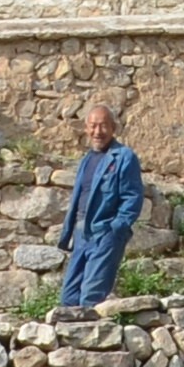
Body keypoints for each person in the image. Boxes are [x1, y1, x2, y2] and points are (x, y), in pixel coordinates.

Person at [59, 102, 145, 310]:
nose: (98, 132)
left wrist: (115, 229)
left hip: (105, 232)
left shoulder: (124, 157)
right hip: (81, 233)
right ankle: (71, 340)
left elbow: (133, 197)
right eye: (93, 126)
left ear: (113, 128)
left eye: (103, 126)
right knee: (69, 297)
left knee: (90, 297)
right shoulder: (87, 160)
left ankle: (89, 339)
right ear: (86, 129)